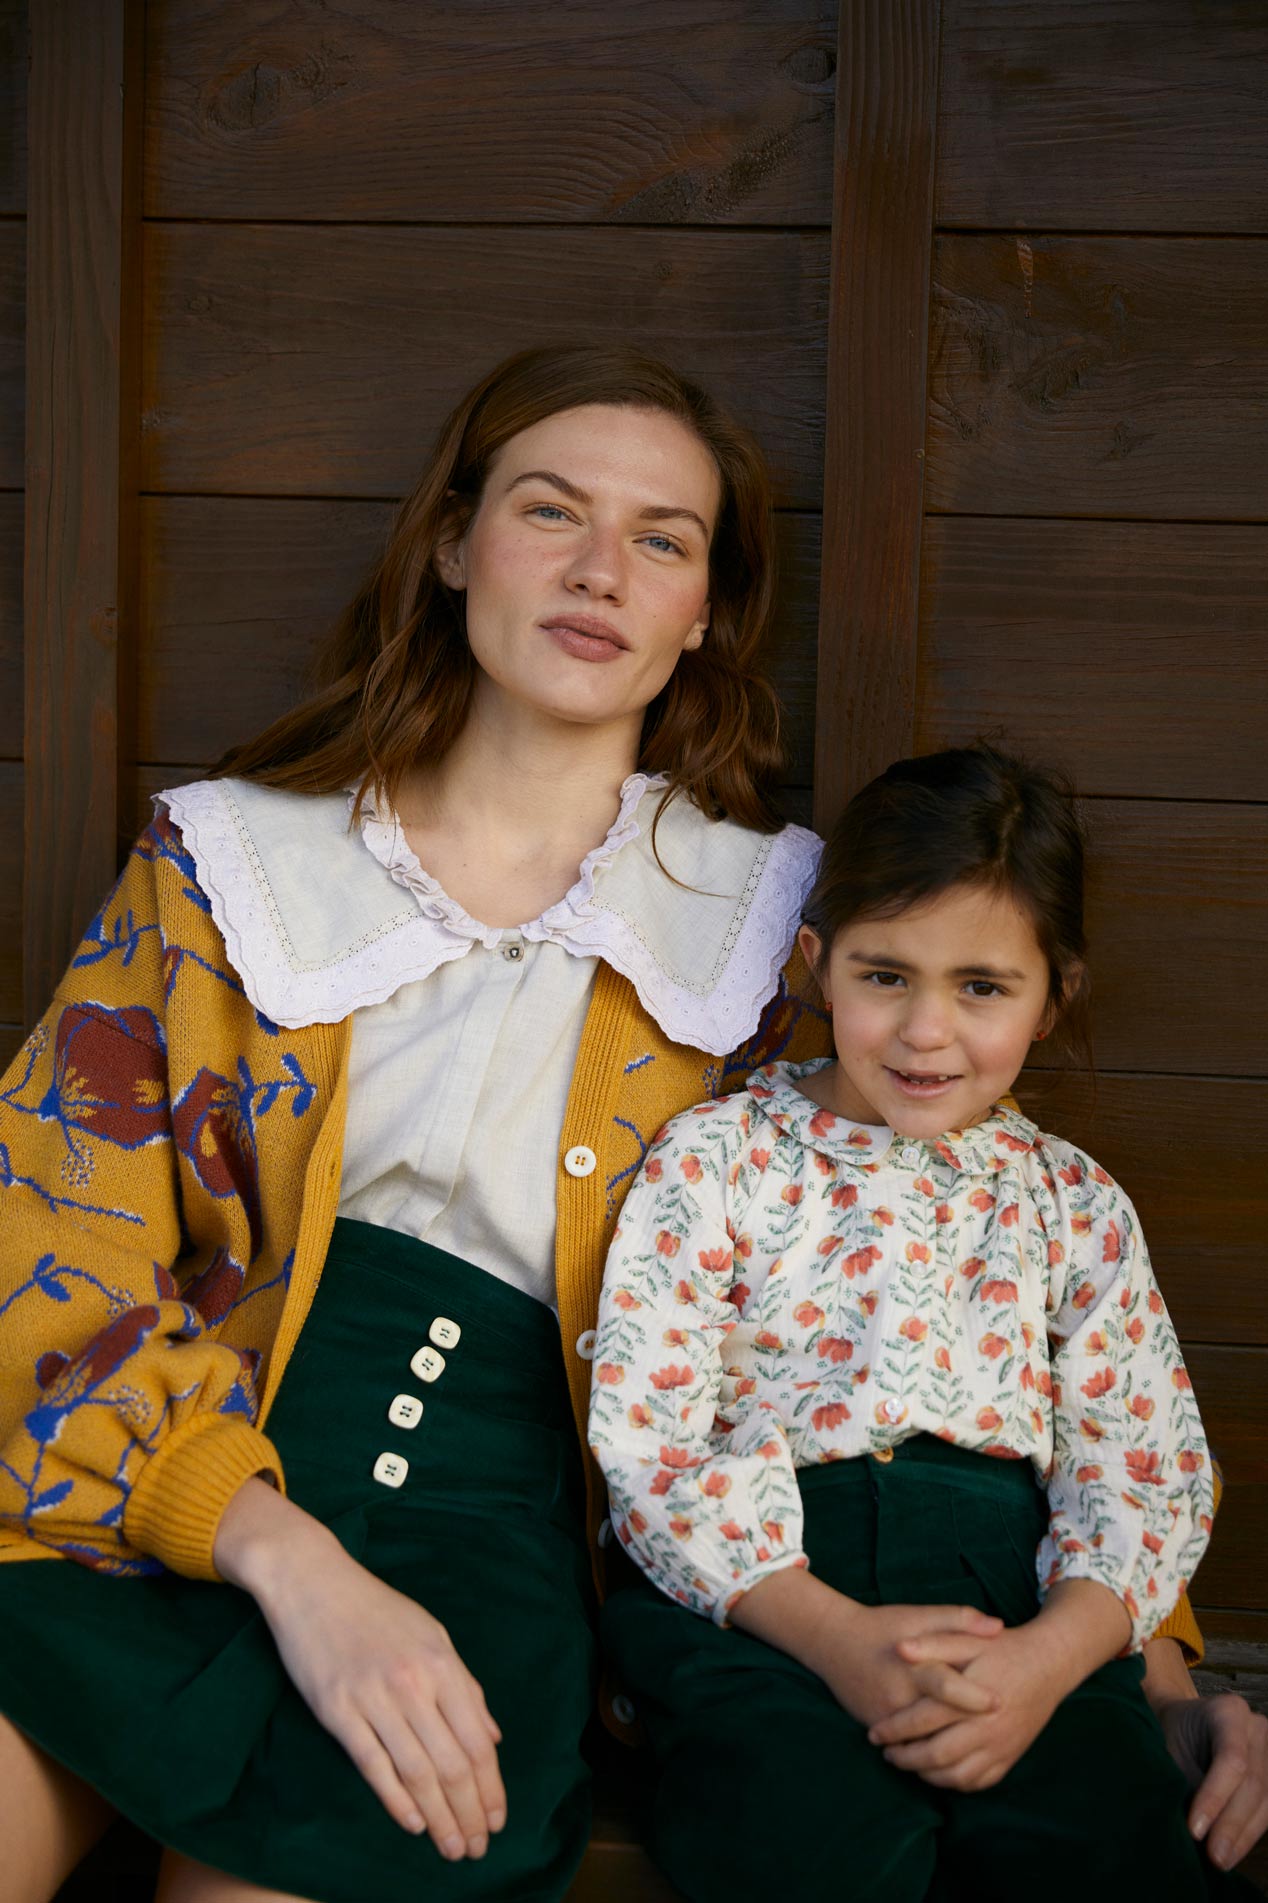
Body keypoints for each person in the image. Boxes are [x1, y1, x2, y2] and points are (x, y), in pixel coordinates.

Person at [0, 350, 1258, 1903]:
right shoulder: (225, 863)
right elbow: (42, 1239)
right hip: (156, 1474)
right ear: (456, 542)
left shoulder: (790, 935)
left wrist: (1162, 1669)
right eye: (553, 512)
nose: (603, 571)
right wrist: (274, 1546)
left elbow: (956, 1283)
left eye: (663, 538)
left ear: (709, 608)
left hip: (496, 1539)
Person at [590, 745, 1262, 1901]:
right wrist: (830, 1637)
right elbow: (651, 1440)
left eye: (981, 987)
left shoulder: (1071, 1202)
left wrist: (1047, 1665)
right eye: (884, 975)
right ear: (816, 965)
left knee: (1110, 1855)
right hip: (767, 1595)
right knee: (798, 1840)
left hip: (1016, 1597)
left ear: (1054, 994)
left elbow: (1140, 1467)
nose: (923, 1031)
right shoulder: (716, 1159)